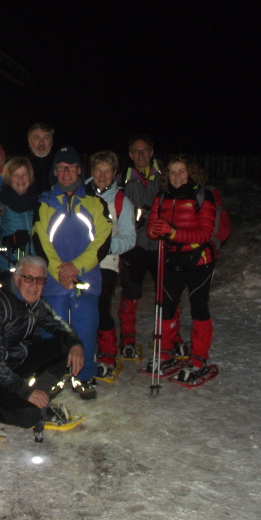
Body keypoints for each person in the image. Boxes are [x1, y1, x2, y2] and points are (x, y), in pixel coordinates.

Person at [0, 255, 84, 430]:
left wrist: (75, 344)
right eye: (28, 278)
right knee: (29, 417)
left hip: (15, 364)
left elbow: (57, 324)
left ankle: (38, 398)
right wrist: (25, 391)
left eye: (40, 280)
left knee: (65, 347)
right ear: (17, 278)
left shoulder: (35, 303)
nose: (34, 285)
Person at [32, 145, 112, 399]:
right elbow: (40, 242)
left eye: (70, 167)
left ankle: (84, 376)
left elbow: (103, 239)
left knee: (85, 328)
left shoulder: (95, 203)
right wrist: (59, 272)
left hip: (84, 279)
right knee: (52, 331)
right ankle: (52, 377)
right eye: (60, 168)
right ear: (55, 172)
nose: (65, 172)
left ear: (79, 169)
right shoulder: (44, 203)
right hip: (55, 282)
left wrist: (76, 267)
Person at [146, 154, 218, 383]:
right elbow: (151, 228)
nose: (177, 177)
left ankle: (198, 358)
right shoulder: (162, 197)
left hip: (199, 259)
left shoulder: (202, 195)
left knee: (199, 307)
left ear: (191, 173)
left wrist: (174, 233)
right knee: (166, 305)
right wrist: (154, 231)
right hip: (172, 259)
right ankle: (165, 351)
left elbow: (205, 232)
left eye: (182, 171)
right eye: (173, 172)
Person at [84, 151, 136, 378]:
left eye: (107, 171)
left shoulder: (121, 201)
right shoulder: (79, 193)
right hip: (78, 261)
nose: (102, 175)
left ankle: (107, 351)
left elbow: (129, 239)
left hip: (106, 262)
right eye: (98, 170)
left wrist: (104, 247)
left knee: (101, 304)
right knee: (79, 307)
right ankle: (83, 350)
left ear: (114, 173)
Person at [118, 134, 162, 359]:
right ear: (130, 154)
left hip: (160, 244)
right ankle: (127, 339)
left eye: (145, 150)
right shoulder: (123, 179)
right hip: (133, 245)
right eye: (136, 151)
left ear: (152, 152)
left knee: (165, 293)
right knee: (131, 292)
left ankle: (167, 338)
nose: (141, 155)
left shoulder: (163, 176)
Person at [0, 156, 39, 272]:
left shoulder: (38, 202)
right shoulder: (0, 204)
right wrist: (9, 241)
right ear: (9, 178)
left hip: (35, 266)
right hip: (9, 266)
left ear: (30, 176)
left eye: (24, 174)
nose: (20, 179)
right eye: (15, 175)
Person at [27, 123, 56, 193]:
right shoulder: (22, 166)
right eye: (36, 138)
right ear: (30, 142)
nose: (41, 143)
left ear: (52, 141)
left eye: (46, 138)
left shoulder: (61, 165)